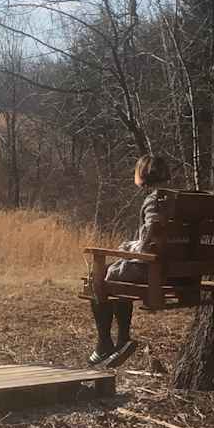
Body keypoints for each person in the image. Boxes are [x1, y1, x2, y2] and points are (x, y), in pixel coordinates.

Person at [88, 154, 171, 367]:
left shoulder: (156, 200)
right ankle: (121, 340)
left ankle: (105, 344)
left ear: (142, 174)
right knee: (116, 271)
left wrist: (132, 248)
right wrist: (132, 245)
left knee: (99, 277)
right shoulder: (177, 199)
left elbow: (153, 232)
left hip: (152, 267)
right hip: (175, 267)